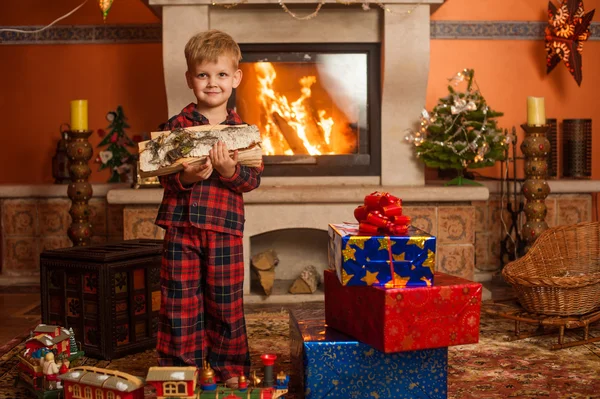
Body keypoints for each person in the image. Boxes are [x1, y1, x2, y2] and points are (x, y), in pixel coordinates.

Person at [155, 29, 262, 389]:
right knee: (179, 301)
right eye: (203, 75)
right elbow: (163, 178)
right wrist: (185, 177)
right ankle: (180, 368)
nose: (211, 83)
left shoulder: (244, 133)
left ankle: (230, 367)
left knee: (225, 302)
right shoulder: (176, 128)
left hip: (225, 229)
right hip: (181, 230)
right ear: (190, 79)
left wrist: (230, 170)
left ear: (235, 78)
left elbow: (251, 180)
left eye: (220, 75)